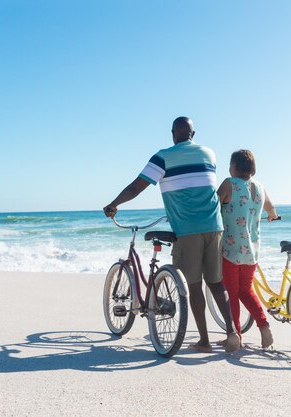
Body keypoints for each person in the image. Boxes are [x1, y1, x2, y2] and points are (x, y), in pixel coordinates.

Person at [103, 116, 240, 353]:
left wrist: (113, 204)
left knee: (193, 286)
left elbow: (137, 187)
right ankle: (232, 333)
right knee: (216, 283)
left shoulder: (163, 156)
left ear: (172, 134)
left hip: (188, 229)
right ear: (193, 135)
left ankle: (204, 341)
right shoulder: (209, 153)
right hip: (214, 226)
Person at [216, 149, 278, 348]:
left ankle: (235, 336)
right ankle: (264, 326)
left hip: (230, 249)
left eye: (230, 164)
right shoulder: (259, 187)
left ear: (234, 166)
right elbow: (270, 207)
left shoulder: (229, 183)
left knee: (231, 294)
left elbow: (213, 205)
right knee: (246, 290)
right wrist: (272, 216)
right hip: (251, 251)